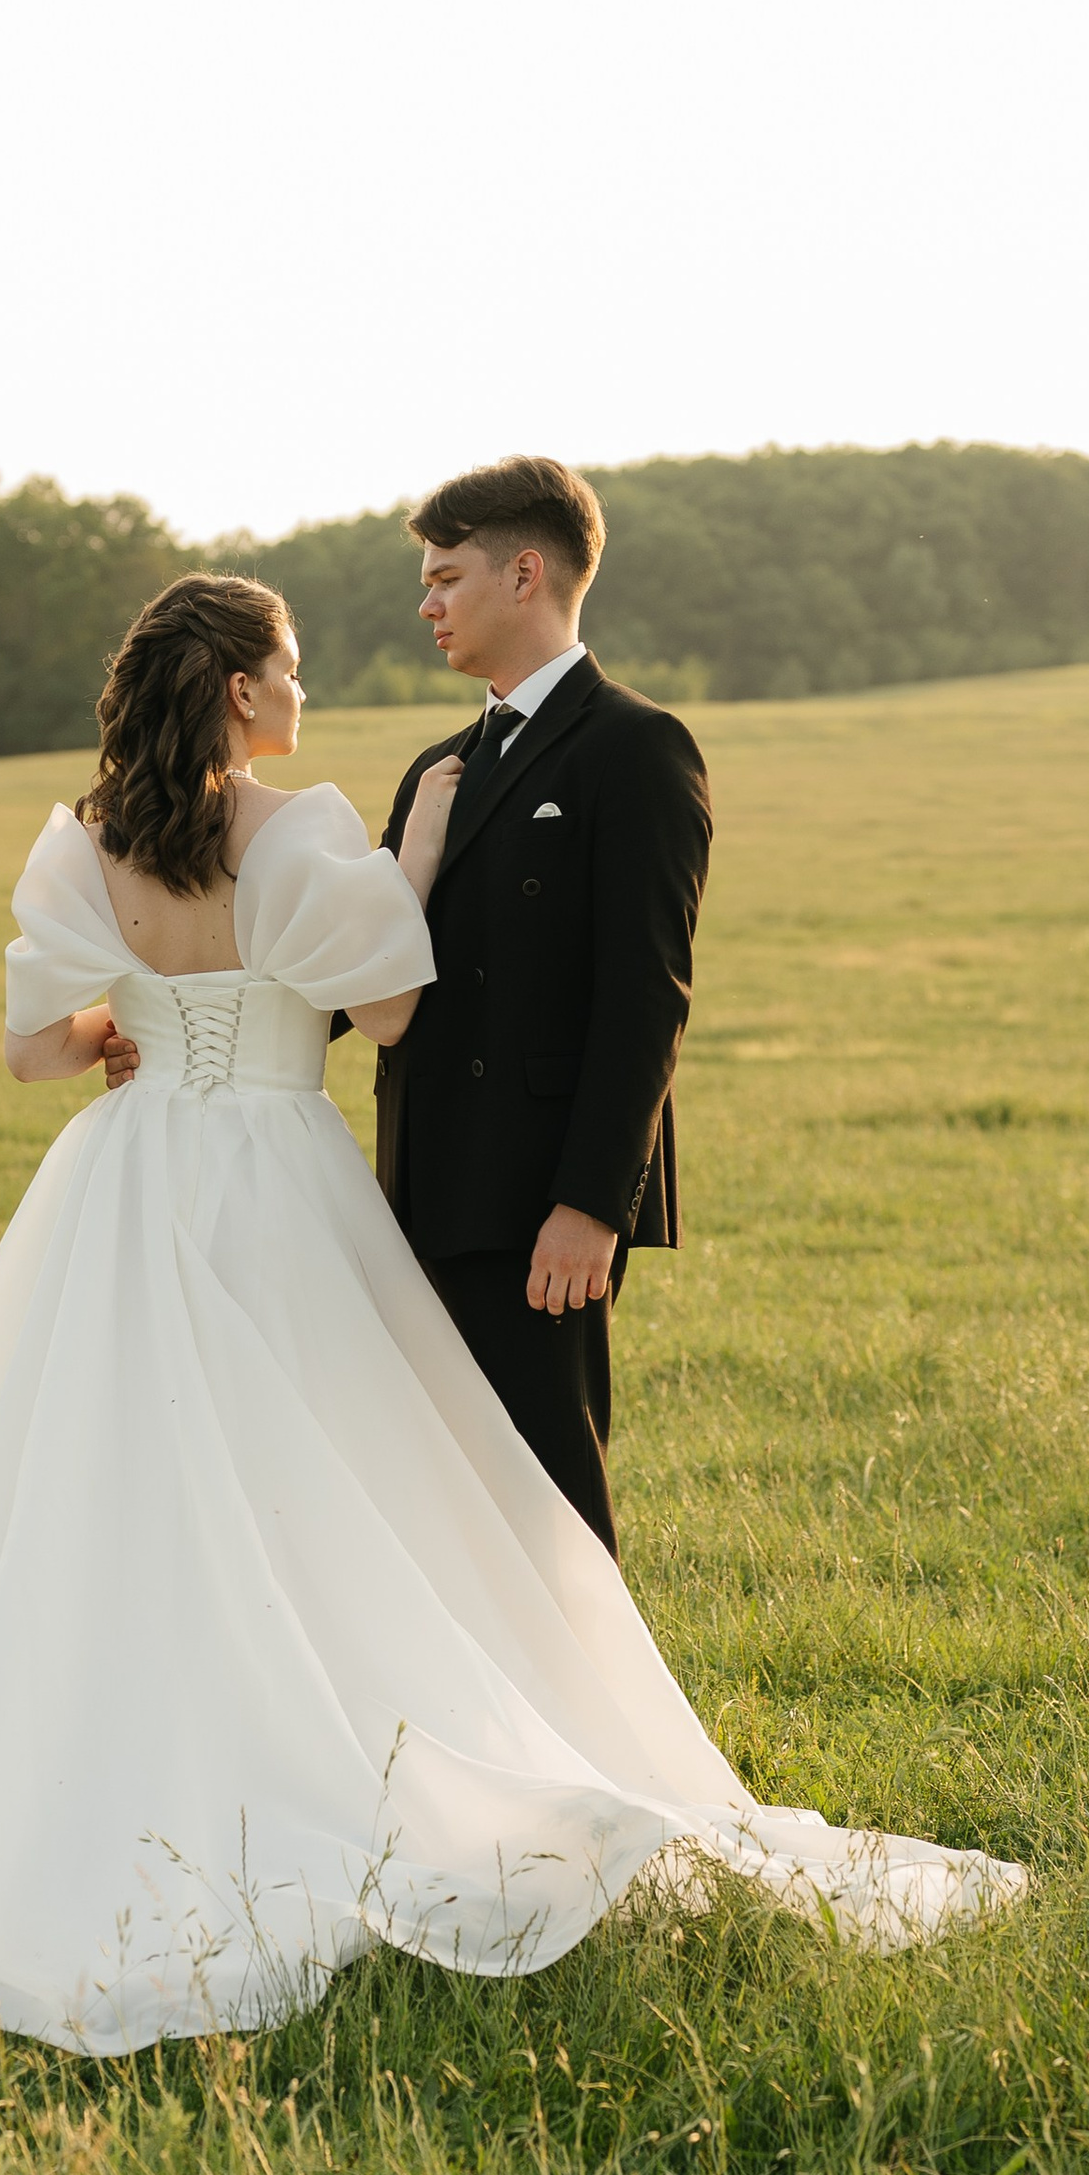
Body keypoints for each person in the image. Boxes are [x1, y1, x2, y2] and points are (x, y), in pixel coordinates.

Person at [0, 570, 1022, 2053]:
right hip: (272, 1168)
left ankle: (97, 1744)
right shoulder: (304, 829)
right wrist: (416, 860)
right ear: (244, 690)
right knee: (323, 1474)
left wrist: (126, 1026)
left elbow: (32, 1050)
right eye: (292, 667)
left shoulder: (84, 838)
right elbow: (385, 1011)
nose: (305, 690)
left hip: (126, 1177)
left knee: (110, 1470)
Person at [358, 455, 700, 1556]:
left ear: (524, 573)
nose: (427, 605)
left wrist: (591, 1204)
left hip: (540, 1199)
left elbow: (647, 996)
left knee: (547, 1492)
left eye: (444, 578)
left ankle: (595, 1680)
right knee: (436, 1498)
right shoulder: (437, 769)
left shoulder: (635, 746)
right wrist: (181, 1022)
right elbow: (366, 960)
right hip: (421, 1181)